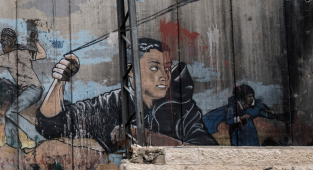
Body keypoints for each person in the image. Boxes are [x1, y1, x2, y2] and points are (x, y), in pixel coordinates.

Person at [36, 38, 217, 151]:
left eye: (167, 68)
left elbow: (207, 152)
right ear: (131, 71)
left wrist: (145, 136)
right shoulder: (111, 103)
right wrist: (59, 81)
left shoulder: (182, 107)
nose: (164, 75)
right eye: (154, 68)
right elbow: (52, 125)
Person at [204, 84, 282, 146]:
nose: (252, 98)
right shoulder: (233, 107)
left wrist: (270, 111)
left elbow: (262, 110)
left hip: (251, 134)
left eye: (252, 96)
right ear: (243, 97)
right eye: (249, 96)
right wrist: (241, 118)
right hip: (237, 135)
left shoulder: (254, 106)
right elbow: (228, 120)